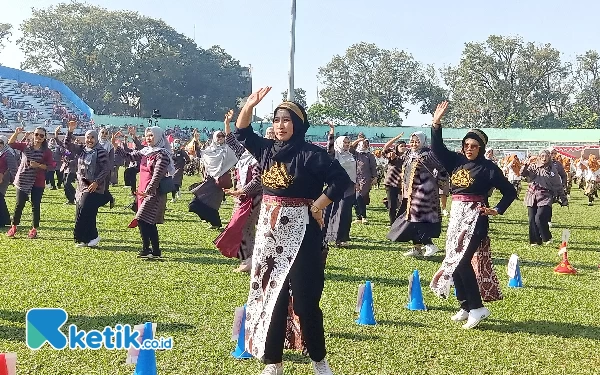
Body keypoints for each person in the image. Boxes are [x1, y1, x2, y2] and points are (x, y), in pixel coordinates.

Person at [235, 87, 351, 375]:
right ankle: (273, 362)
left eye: (286, 120)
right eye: (276, 120)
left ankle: (319, 360)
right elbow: (241, 132)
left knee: (305, 299)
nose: (280, 125)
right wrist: (249, 105)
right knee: (269, 296)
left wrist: (318, 205)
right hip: (269, 235)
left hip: (303, 235)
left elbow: (341, 180)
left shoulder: (312, 154)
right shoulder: (265, 150)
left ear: (297, 125)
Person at [429, 101, 516, 329]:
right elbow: (437, 149)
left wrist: (496, 209)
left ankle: (478, 308)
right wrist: (436, 124)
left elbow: (510, 191)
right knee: (452, 260)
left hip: (475, 218)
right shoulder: (455, 161)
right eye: (466, 144)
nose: (469, 148)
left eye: (474, 146)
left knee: (462, 261)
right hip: (456, 217)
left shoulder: (488, 169)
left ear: (482, 148)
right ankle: (466, 305)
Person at [113, 126, 174, 259]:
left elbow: (157, 175)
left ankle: (153, 250)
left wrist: (148, 191)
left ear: (158, 137)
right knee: (144, 221)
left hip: (153, 193)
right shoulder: (146, 151)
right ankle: (149, 249)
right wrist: (116, 145)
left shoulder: (162, 154)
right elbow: (128, 156)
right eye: (147, 135)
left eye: (152, 135)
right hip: (142, 192)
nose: (149, 138)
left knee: (145, 219)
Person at [214, 110, 262, 272]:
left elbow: (257, 181)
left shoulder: (257, 159)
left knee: (245, 227)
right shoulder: (244, 155)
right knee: (242, 227)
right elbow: (231, 141)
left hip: (252, 198)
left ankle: (250, 259)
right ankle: (248, 258)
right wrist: (227, 124)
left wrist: (241, 191)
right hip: (242, 197)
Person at [387, 131, 445, 257]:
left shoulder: (428, 154)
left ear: (423, 141)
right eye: (412, 141)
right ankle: (417, 248)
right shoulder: (409, 154)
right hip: (409, 192)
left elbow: (441, 168)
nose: (414, 143)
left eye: (417, 141)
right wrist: (390, 154)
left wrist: (440, 183)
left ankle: (429, 244)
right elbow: (394, 159)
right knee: (410, 219)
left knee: (416, 220)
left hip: (423, 193)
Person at [62, 122, 110, 247]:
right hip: (81, 185)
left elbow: (106, 169)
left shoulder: (101, 151)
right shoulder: (82, 149)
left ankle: (92, 236)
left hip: (95, 187)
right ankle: (85, 239)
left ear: (96, 138)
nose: (89, 140)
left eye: (92, 137)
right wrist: (70, 131)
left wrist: (96, 182)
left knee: (85, 211)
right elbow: (67, 146)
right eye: (88, 137)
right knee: (81, 211)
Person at [6, 126, 56, 238]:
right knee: (19, 205)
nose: (38, 137)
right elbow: (10, 144)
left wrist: (38, 165)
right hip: (23, 179)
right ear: (33, 135)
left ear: (44, 138)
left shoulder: (46, 152)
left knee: (35, 205)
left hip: (37, 181)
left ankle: (34, 229)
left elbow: (51, 166)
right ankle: (14, 227)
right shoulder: (26, 146)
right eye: (36, 134)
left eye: (41, 135)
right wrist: (16, 133)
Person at [521, 151, 568, 246]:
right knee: (531, 219)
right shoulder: (533, 166)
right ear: (539, 157)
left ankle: (547, 237)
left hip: (545, 195)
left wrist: (563, 198)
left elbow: (558, 184)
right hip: (532, 194)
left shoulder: (552, 169)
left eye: (546, 156)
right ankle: (535, 240)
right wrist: (526, 164)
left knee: (539, 217)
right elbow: (523, 174)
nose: (544, 158)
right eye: (542, 156)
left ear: (549, 157)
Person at [323, 122, 355, 248]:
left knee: (345, 212)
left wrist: (356, 183)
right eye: (344, 143)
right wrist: (332, 130)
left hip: (349, 188)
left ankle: (341, 238)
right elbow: (330, 146)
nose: (346, 145)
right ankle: (325, 236)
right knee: (330, 212)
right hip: (335, 186)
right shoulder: (334, 154)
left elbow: (354, 171)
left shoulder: (351, 155)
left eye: (348, 143)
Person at [382, 133, 405, 224]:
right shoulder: (392, 155)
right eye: (401, 146)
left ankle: (400, 223)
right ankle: (392, 223)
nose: (403, 147)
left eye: (404, 146)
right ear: (396, 147)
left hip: (402, 184)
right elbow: (385, 147)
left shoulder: (407, 157)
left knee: (402, 204)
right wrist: (397, 137)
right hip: (390, 183)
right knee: (392, 206)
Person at [352, 138, 377, 224]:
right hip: (355, 178)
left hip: (365, 178)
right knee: (355, 198)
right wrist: (358, 139)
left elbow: (373, 167)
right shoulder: (355, 153)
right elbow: (351, 147)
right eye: (362, 144)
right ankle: (358, 217)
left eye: (366, 144)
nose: (364, 145)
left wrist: (375, 177)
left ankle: (364, 217)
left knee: (360, 196)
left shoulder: (369, 155)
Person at [0, 135, 18, 228]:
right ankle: (5, 219)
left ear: (5, 143)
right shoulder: (1, 152)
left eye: (1, 142)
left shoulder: (8, 153)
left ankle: (3, 220)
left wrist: (16, 181)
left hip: (4, 178)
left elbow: (13, 168)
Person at [170, 138, 191, 202]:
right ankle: (177, 191)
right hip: (172, 169)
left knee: (174, 181)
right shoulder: (171, 152)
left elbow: (188, 159)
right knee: (175, 182)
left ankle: (173, 198)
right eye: (176, 142)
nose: (176, 143)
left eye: (178, 142)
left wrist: (185, 165)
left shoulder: (182, 151)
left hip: (179, 168)